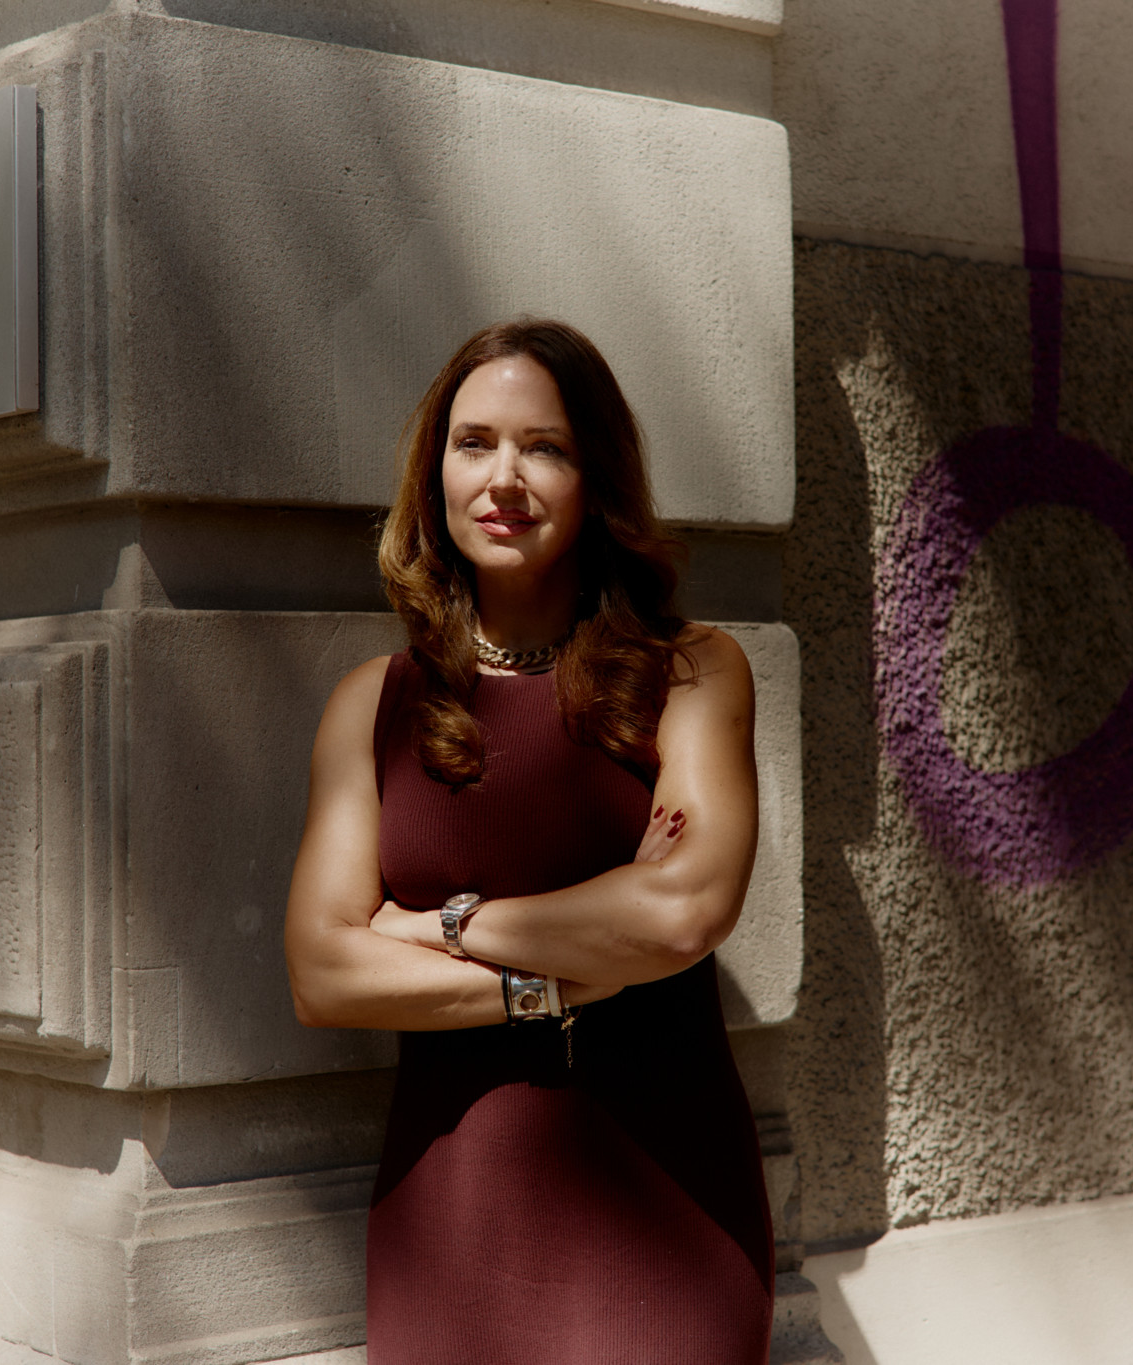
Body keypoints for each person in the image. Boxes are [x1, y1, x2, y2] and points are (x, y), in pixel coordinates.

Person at [283, 318, 775, 1363]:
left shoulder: (691, 672)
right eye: (474, 444)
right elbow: (322, 973)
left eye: (544, 447)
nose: (503, 477)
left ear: (597, 479)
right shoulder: (372, 704)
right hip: (447, 1222)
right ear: (435, 476)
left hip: (665, 1211)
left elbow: (680, 911)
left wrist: (437, 926)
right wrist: (551, 982)